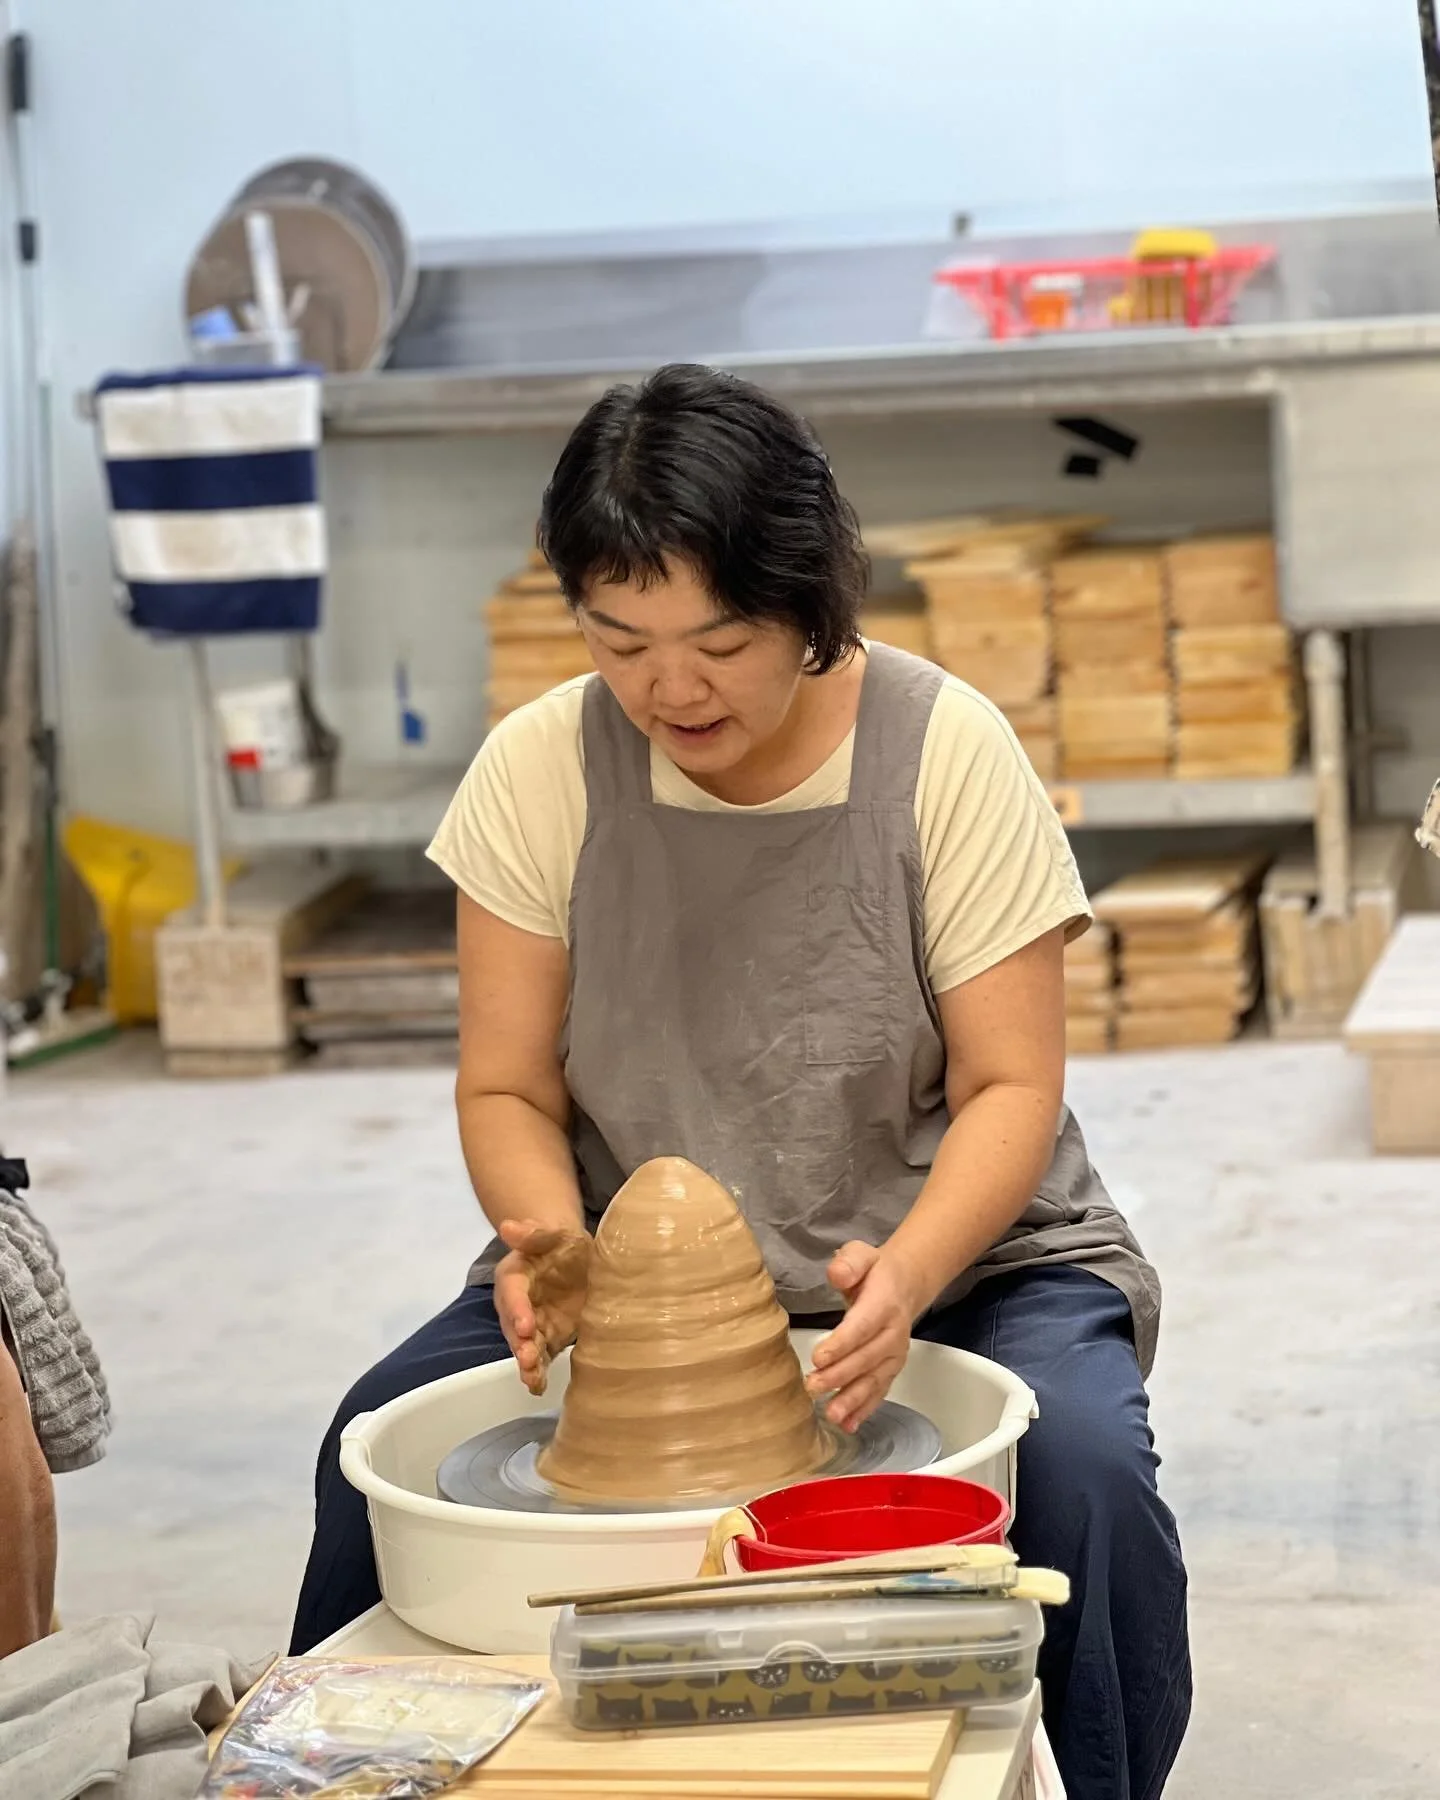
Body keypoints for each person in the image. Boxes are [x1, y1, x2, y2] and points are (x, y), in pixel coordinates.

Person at [291, 363, 1191, 1800]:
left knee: (1081, 1474)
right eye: (621, 640)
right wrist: (549, 1244)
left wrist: (909, 1272)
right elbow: (507, 1088)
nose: (671, 688)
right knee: (373, 1456)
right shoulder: (540, 767)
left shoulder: (943, 750)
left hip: (964, 1258)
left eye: (719, 641)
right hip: (631, 1281)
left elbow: (1011, 1086)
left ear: (809, 604)